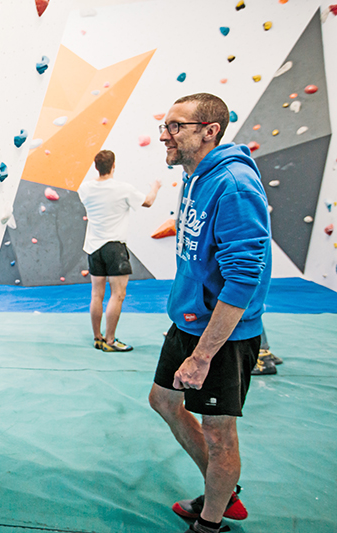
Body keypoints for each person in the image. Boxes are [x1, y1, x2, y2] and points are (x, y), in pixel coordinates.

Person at [148, 93, 271, 533]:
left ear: (209, 131)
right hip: (188, 318)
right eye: (165, 125)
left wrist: (202, 356)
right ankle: (224, 490)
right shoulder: (195, 176)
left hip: (223, 334)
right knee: (163, 400)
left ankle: (210, 523)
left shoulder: (234, 185)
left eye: (175, 126)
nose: (165, 135)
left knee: (218, 432)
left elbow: (244, 278)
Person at [77, 150, 161, 352]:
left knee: (96, 295)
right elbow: (148, 202)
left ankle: (97, 338)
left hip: (94, 248)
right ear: (113, 166)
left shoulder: (85, 188)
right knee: (118, 295)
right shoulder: (123, 189)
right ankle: (110, 341)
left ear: (96, 167)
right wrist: (155, 187)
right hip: (114, 248)